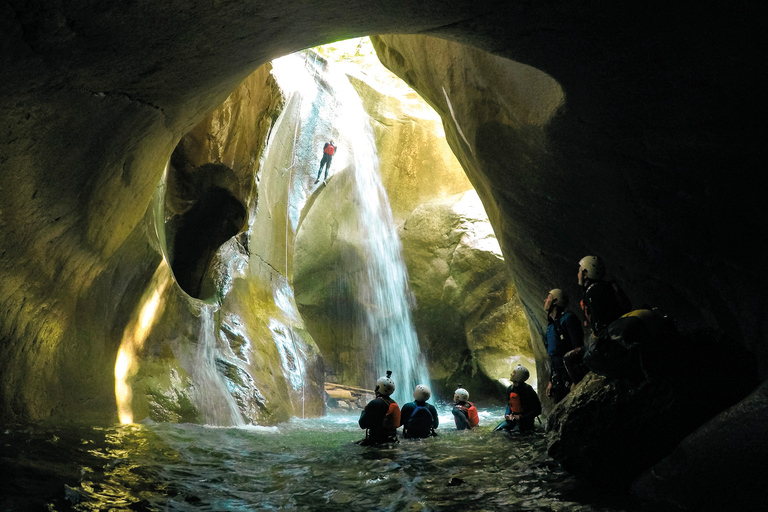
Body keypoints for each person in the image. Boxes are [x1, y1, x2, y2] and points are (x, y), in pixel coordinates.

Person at [543, 289, 584, 402]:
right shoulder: (551, 326)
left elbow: (578, 349)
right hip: (558, 377)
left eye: (548, 297)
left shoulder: (568, 319)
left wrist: (576, 381)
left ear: (555, 301)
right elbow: (552, 356)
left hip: (570, 375)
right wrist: (551, 381)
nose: (545, 300)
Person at [357, 370, 401, 445]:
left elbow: (362, 424)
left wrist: (364, 410)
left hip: (377, 441)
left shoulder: (375, 403)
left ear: (378, 388)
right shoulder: (393, 402)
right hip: (391, 440)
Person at [494, 365, 541, 434]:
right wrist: (507, 414)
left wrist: (521, 418)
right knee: (496, 431)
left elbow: (538, 410)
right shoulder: (510, 389)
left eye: (514, 373)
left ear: (519, 375)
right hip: (512, 420)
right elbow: (510, 404)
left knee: (515, 435)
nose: (511, 374)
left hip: (525, 422)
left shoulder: (528, 390)